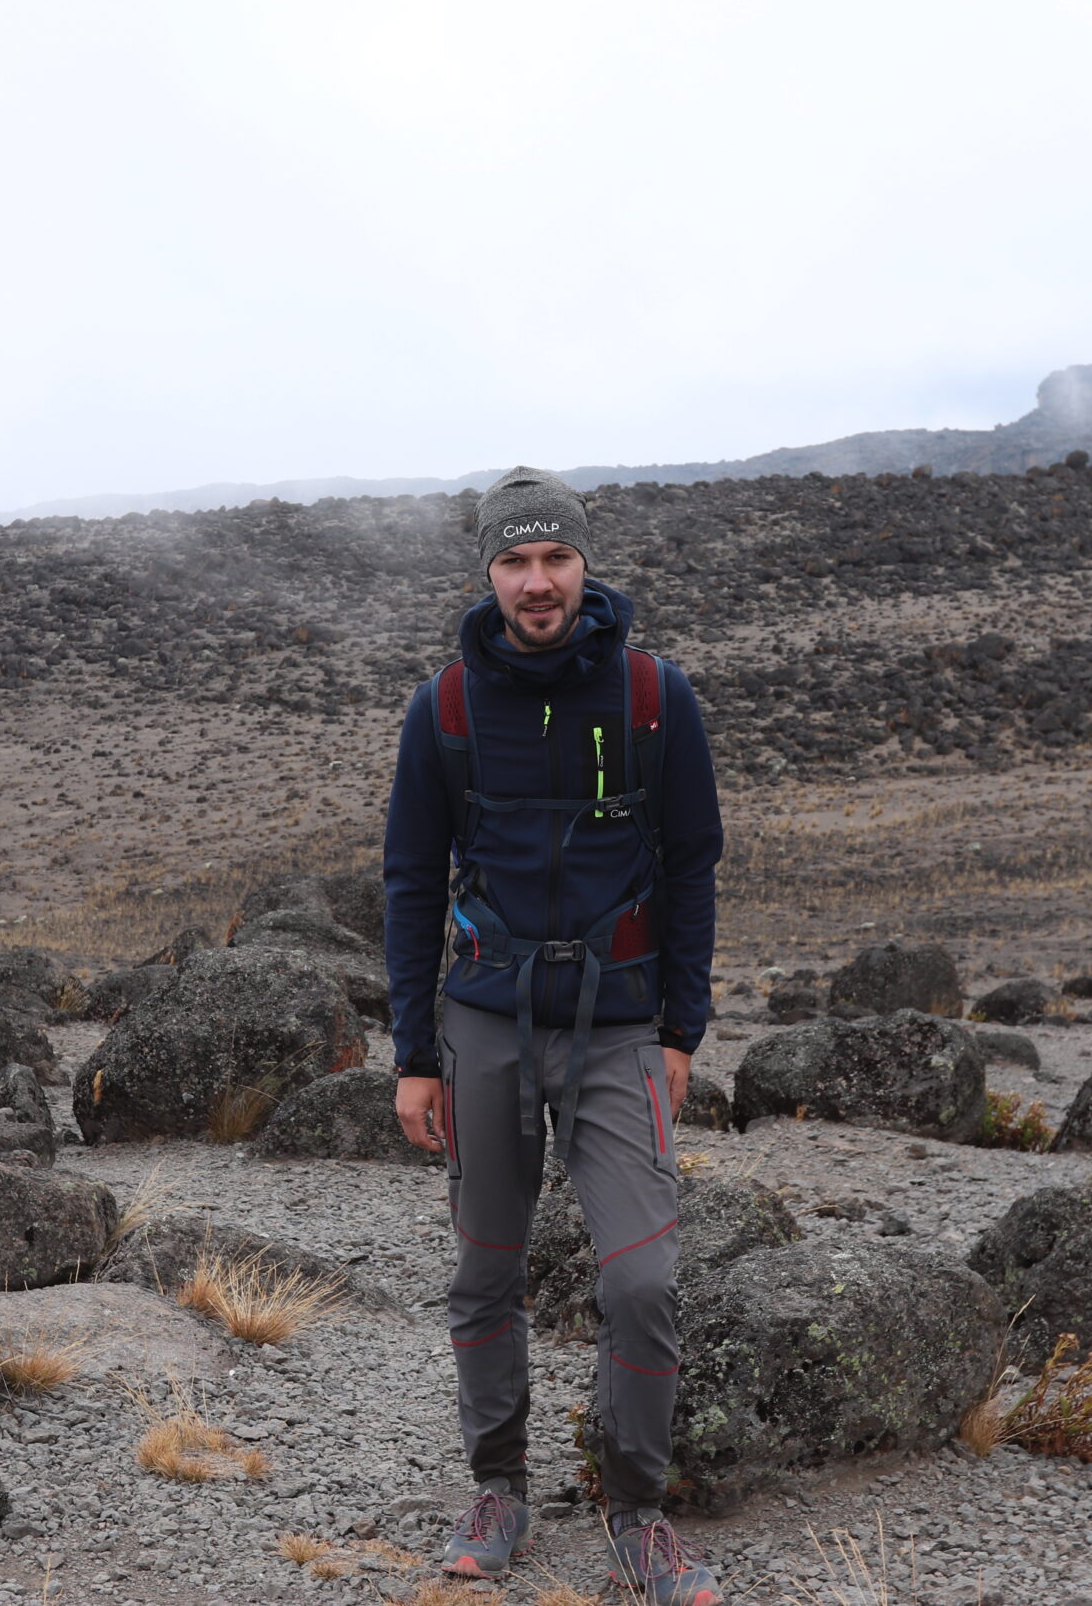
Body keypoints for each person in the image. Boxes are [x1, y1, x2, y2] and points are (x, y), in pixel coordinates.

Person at [382, 465, 726, 1606]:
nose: (538, 583)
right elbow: (408, 883)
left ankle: (637, 1507)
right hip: (483, 1021)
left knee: (643, 1282)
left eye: (556, 559)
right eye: (517, 562)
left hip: (619, 1026)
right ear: (486, 569)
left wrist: (682, 1026)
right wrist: (415, 1056)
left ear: (585, 563)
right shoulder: (442, 708)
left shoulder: (652, 697)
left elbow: (691, 866)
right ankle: (499, 1488)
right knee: (486, 1271)